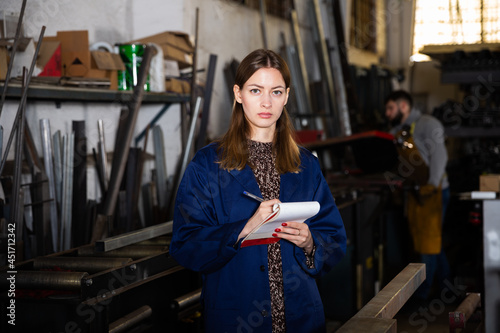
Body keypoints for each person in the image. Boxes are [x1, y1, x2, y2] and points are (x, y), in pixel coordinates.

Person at [170, 49, 347, 333]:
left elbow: (336, 238)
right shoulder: (208, 164)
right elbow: (185, 244)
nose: (266, 102)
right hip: (237, 318)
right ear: (239, 94)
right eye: (256, 90)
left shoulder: (306, 165)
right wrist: (243, 228)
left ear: (286, 96)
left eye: (276, 92)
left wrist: (310, 242)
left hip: (300, 317)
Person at [385, 90, 451, 301]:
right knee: (431, 244)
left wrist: (431, 186)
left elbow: (440, 156)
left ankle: (421, 297)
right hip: (414, 192)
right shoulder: (397, 130)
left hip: (434, 191)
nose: (387, 113)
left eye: (390, 108)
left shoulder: (428, 124)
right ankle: (446, 290)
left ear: (404, 106)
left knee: (427, 245)